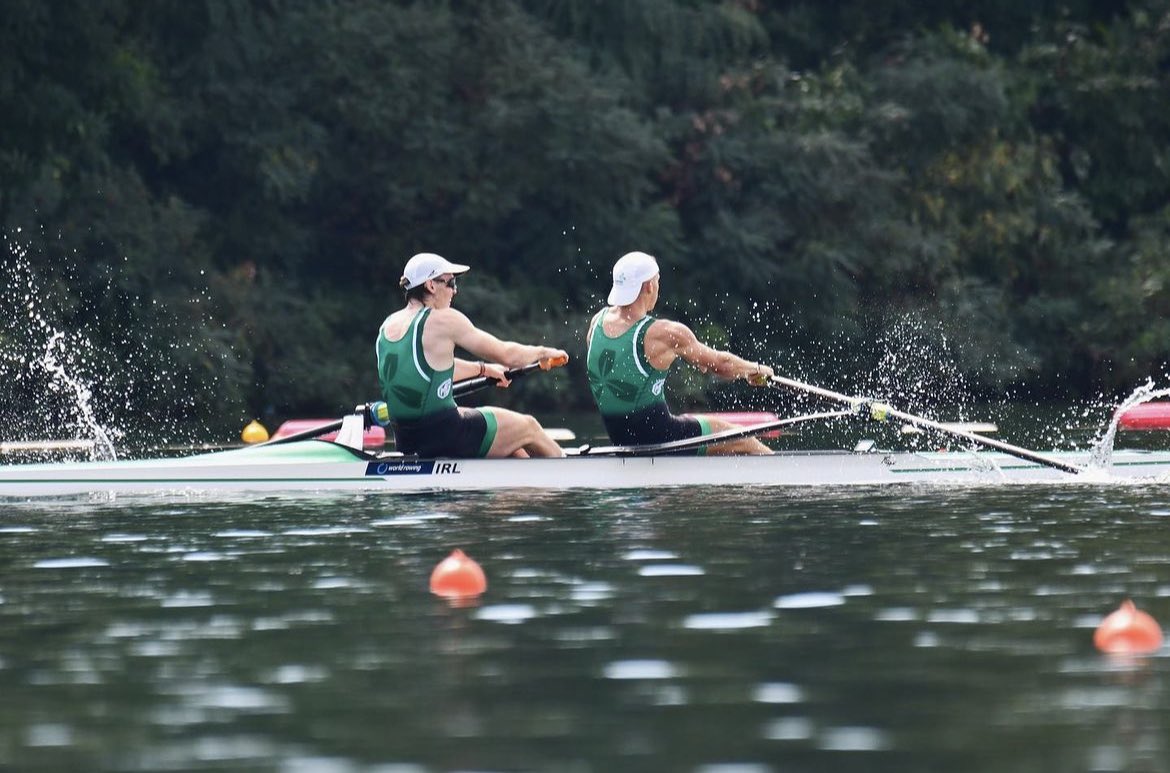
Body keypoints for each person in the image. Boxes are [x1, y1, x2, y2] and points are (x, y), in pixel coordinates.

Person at [376, 252, 569, 458]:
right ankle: (570, 477)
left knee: (516, 450)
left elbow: (427, 373)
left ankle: (522, 488)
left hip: (407, 440)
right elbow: (506, 355)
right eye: (451, 283)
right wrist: (542, 352)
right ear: (431, 285)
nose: (454, 291)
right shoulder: (443, 319)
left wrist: (483, 370)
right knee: (529, 427)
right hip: (446, 435)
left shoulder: (387, 327)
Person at [585, 251, 775, 455]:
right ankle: (780, 482)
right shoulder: (663, 333)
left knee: (699, 426)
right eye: (657, 281)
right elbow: (721, 364)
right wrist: (754, 369)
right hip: (662, 440)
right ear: (649, 286)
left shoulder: (597, 323)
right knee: (743, 439)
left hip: (621, 440)